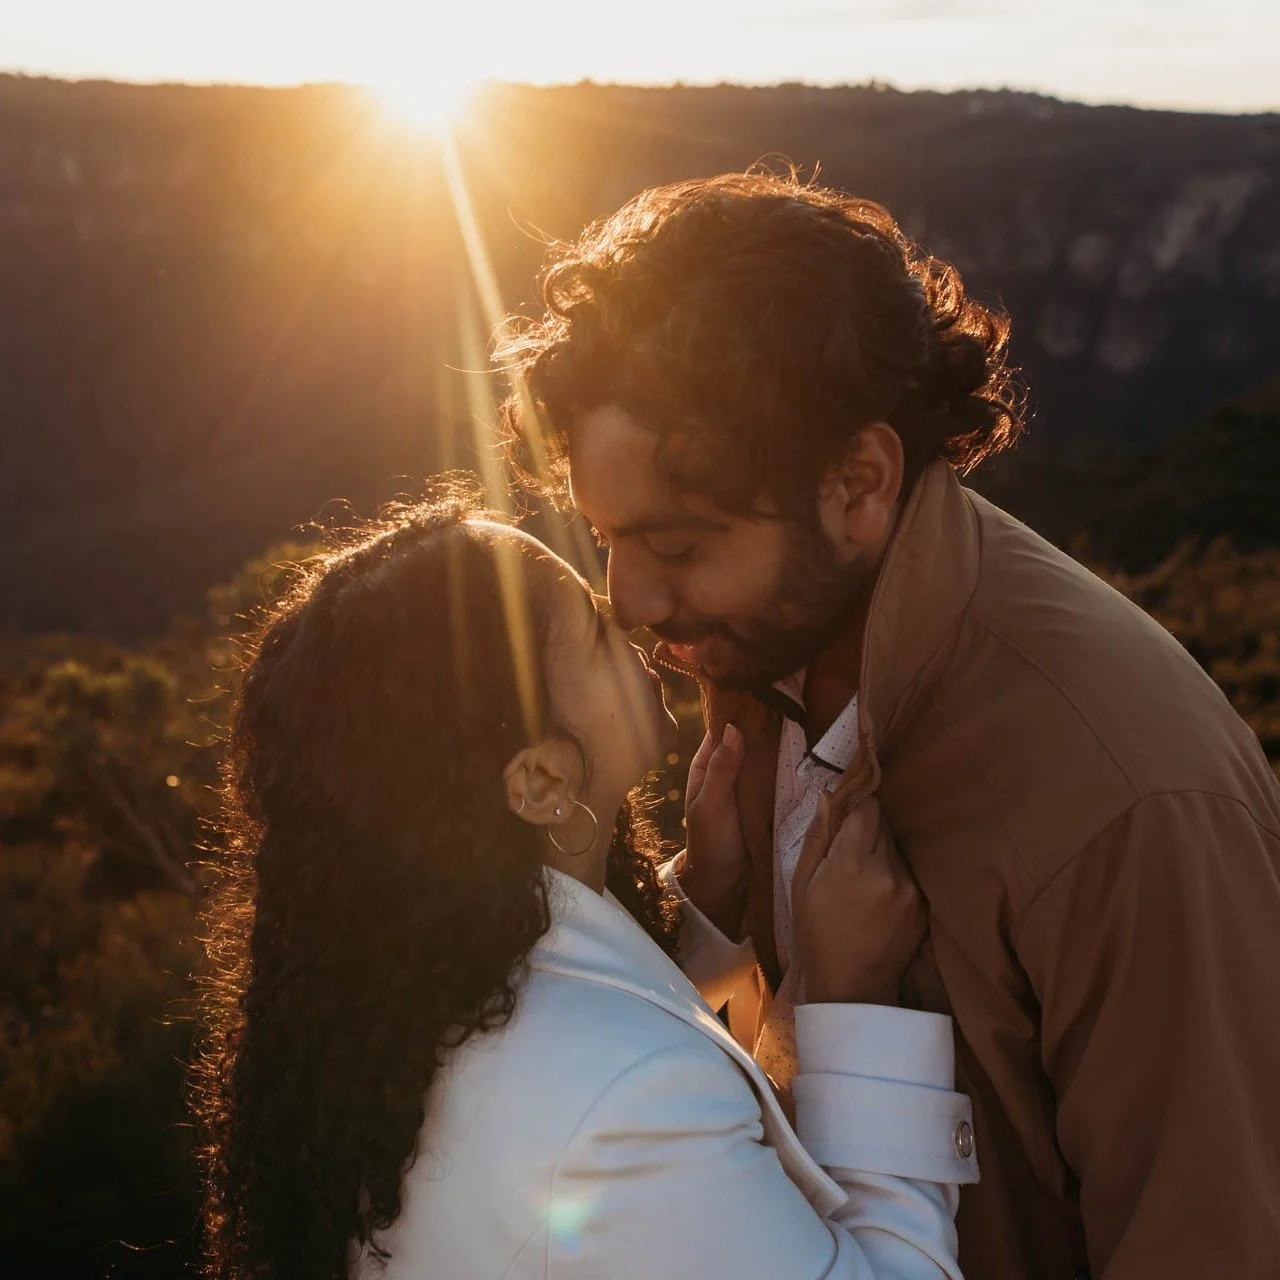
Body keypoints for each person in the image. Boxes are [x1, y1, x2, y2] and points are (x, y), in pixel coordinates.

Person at [498, 171, 1280, 1279]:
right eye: (603, 536)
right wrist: (708, 916)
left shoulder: (1125, 798)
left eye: (675, 545)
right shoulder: (766, 644)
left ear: (856, 479)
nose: (626, 602)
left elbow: (1210, 1238)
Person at [191, 482, 978, 1280]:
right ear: (537, 781)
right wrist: (856, 1000)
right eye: (596, 632)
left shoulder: (396, 996)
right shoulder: (632, 1103)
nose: (629, 617)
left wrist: (705, 902)